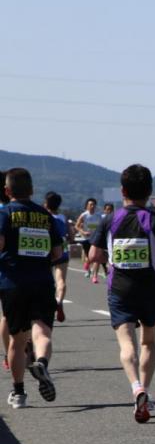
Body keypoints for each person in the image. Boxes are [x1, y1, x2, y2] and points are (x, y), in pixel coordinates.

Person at [86, 164, 155, 423]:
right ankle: (146, 391)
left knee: (127, 343)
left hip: (120, 288)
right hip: (150, 286)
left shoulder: (109, 219)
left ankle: (135, 387)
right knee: (148, 341)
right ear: (149, 191)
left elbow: (93, 254)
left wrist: (110, 257)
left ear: (122, 190)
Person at [0, 168, 63, 408]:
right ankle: (42, 364)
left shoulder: (5, 213)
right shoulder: (45, 216)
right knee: (42, 332)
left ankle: (18, 393)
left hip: (13, 282)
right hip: (42, 281)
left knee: (17, 340)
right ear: (32, 190)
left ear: (7, 191)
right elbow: (57, 252)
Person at [43, 192, 70, 323]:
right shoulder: (63, 218)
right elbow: (71, 235)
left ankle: (48, 304)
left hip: (47, 251)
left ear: (46, 203)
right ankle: (59, 300)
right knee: (61, 280)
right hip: (63, 250)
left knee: (47, 280)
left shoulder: (43, 216)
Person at [75, 197, 103, 284]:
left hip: (96, 239)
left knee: (97, 258)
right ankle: (87, 265)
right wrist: (83, 232)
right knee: (89, 257)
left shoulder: (99, 216)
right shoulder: (84, 215)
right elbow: (77, 226)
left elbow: (102, 226)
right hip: (87, 239)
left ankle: (95, 276)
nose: (92, 206)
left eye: (93, 204)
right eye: (90, 204)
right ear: (87, 206)